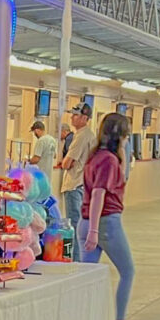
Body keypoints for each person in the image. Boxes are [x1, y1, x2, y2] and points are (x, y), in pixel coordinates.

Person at [78, 112, 140, 320]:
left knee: (87, 278)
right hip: (105, 223)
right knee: (128, 271)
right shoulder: (109, 160)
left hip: (86, 222)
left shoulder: (95, 157)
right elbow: (98, 194)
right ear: (121, 135)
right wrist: (95, 230)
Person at [58, 102, 97, 261]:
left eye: (75, 115)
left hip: (74, 185)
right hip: (84, 185)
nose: (72, 117)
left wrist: (65, 162)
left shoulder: (80, 136)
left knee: (74, 226)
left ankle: (76, 261)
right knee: (81, 225)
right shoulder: (90, 135)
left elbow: (67, 163)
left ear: (84, 118)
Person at [28, 119, 57, 192]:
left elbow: (36, 159)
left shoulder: (41, 141)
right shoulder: (52, 140)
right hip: (49, 175)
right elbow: (54, 156)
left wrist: (28, 161)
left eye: (34, 132)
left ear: (37, 130)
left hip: (40, 175)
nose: (34, 134)